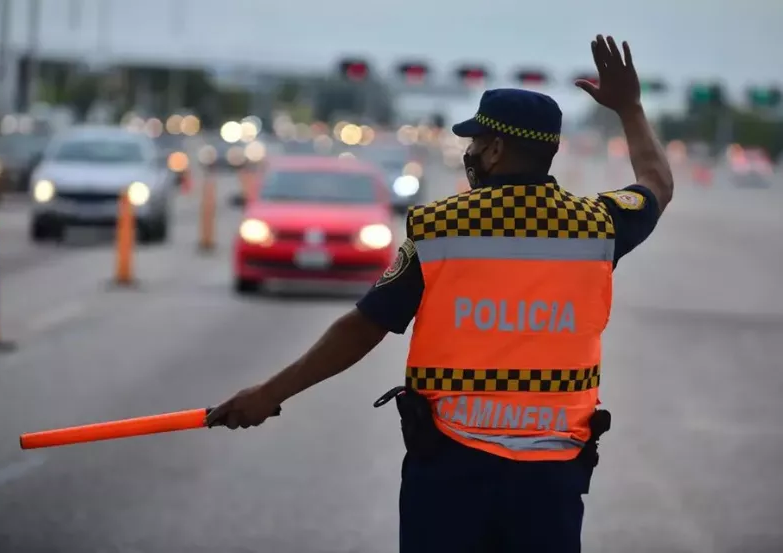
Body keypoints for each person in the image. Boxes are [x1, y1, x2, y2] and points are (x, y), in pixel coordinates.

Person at [206, 35, 673, 552]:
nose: (468, 153)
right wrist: (629, 108)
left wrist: (270, 394)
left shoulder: (441, 228)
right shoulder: (598, 226)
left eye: (474, 143)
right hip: (553, 472)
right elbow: (656, 182)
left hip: (453, 466)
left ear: (495, 149)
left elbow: (364, 326)